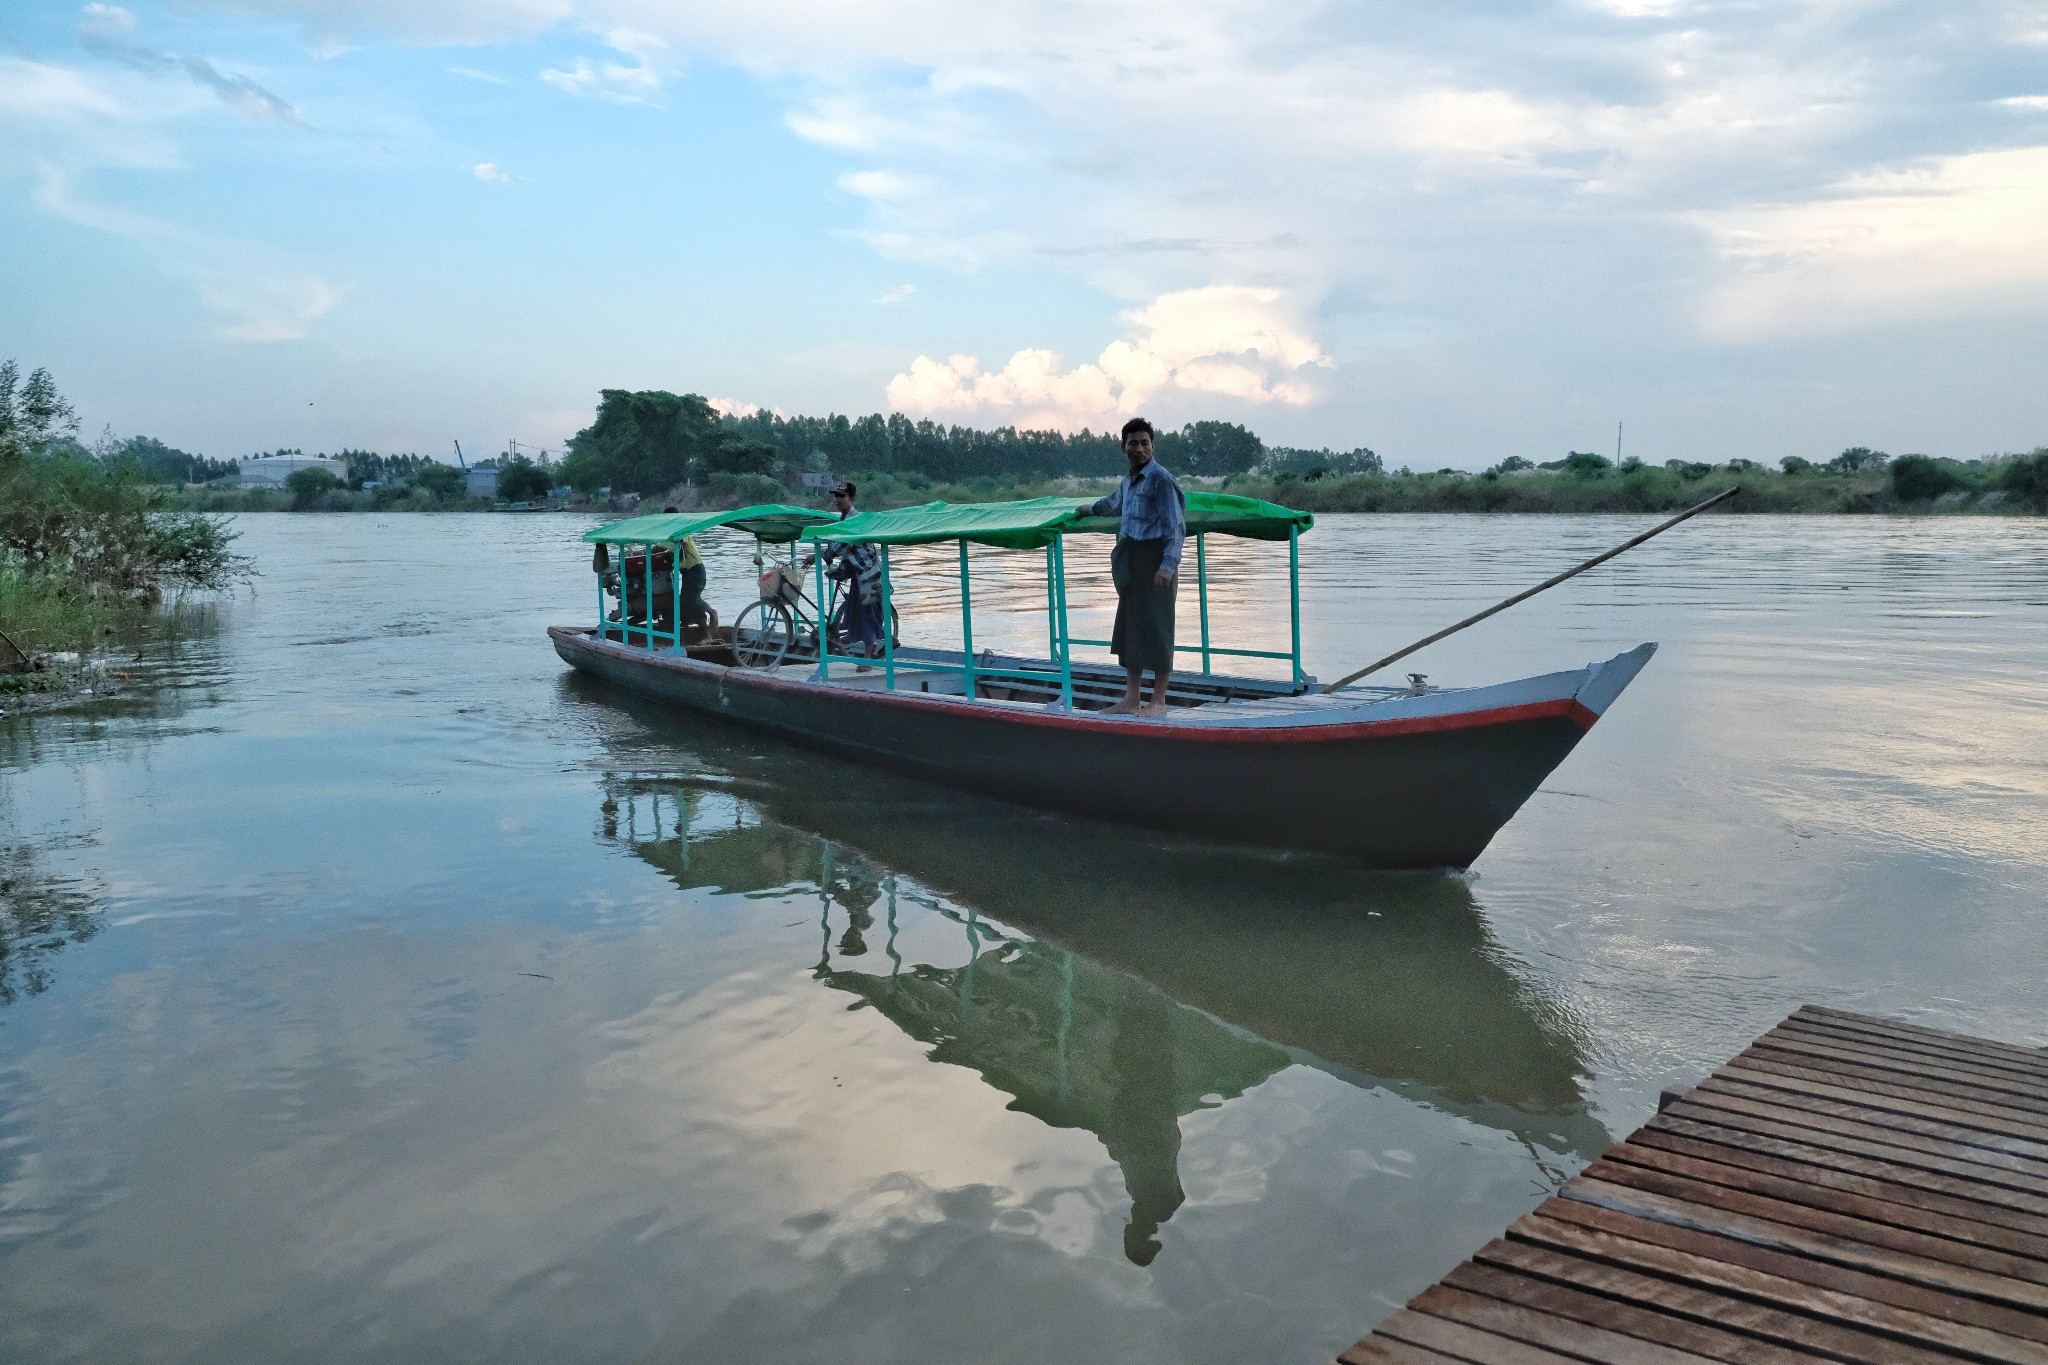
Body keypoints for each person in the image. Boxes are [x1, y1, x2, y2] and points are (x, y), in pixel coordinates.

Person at [1086, 417, 1185, 715]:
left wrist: (1167, 566)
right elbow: (1112, 504)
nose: (1139, 449)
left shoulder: (1161, 479)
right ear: (1123, 448)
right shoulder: (1129, 481)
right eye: (1133, 444)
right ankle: (1131, 699)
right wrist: (1086, 510)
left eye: (1144, 443)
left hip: (1156, 562)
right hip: (1133, 561)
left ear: (1152, 446)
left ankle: (1158, 701)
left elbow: (1176, 527)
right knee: (1131, 629)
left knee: (1158, 627)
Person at [815, 481, 884, 663]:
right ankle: (885, 640)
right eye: (836, 496)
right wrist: (838, 569)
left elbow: (842, 544)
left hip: (867, 575)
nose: (838, 500)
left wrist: (819, 556)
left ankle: (868, 659)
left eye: (842, 496)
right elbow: (847, 549)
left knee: (866, 614)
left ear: (851, 498)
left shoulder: (855, 519)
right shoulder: (844, 519)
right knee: (857, 612)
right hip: (856, 574)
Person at [660, 506, 718, 640]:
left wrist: (644, 553)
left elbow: (660, 547)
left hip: (696, 571)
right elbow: (669, 550)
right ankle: (693, 633)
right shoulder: (674, 536)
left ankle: (711, 612)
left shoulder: (682, 532)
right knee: (685, 603)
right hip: (687, 573)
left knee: (692, 600)